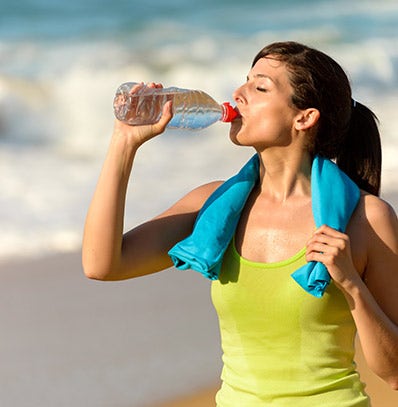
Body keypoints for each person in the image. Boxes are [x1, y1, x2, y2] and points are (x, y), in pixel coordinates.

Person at [82, 41, 398, 406]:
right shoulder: (213, 205)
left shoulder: (366, 219)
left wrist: (352, 285)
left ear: (304, 117)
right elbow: (102, 264)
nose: (239, 93)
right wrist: (124, 142)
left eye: (260, 87)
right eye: (245, 80)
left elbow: (393, 373)